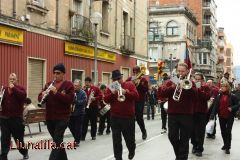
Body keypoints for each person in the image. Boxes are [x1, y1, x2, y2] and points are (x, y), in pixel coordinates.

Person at [157, 63, 196, 160]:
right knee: (172, 137)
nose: (181, 73)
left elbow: (196, 97)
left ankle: (181, 158)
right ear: (176, 71)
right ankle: (180, 156)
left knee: (184, 139)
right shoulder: (171, 81)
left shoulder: (190, 82)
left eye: (183, 71)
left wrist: (188, 87)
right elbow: (161, 93)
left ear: (187, 71)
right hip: (173, 114)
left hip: (186, 114)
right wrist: (173, 87)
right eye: (179, 71)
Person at [38, 63, 75, 160]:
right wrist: (43, 94)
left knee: (57, 141)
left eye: (58, 73)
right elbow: (39, 98)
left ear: (63, 74)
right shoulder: (48, 84)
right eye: (54, 73)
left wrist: (56, 93)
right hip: (50, 118)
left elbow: (70, 100)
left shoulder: (68, 85)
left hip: (62, 118)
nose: (55, 75)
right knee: (58, 141)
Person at [104, 69, 139, 160]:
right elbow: (106, 100)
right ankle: (118, 157)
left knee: (129, 139)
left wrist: (126, 92)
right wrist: (112, 94)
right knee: (116, 140)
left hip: (128, 117)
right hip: (115, 117)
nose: (117, 81)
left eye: (118, 78)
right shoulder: (111, 87)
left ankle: (132, 149)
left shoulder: (129, 84)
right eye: (115, 79)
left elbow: (136, 96)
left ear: (121, 77)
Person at [0, 73, 29, 160]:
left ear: (17, 80)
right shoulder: (4, 89)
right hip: (4, 118)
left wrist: (14, 88)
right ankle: (3, 156)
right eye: (10, 79)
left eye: (13, 79)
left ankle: (24, 152)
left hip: (16, 119)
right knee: (4, 138)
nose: (11, 80)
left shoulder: (21, 89)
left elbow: (23, 96)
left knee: (18, 139)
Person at [210, 82, 239, 154]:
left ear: (227, 87)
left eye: (224, 86)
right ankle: (225, 144)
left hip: (230, 116)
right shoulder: (219, 96)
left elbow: (238, 105)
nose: (222, 87)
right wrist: (212, 114)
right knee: (223, 131)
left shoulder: (233, 96)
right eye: (221, 86)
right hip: (221, 116)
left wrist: (232, 108)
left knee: (228, 131)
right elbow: (216, 106)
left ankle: (228, 147)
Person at [191, 72, 211, 157]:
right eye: (196, 79)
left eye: (199, 79)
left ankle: (200, 148)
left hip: (202, 112)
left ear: (202, 80)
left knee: (200, 131)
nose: (197, 81)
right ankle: (194, 145)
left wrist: (199, 90)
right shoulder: (191, 87)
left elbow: (207, 97)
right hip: (192, 111)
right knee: (192, 131)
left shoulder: (206, 87)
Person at [127, 66, 148, 140]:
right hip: (131, 100)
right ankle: (132, 135)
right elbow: (125, 85)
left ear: (139, 72)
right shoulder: (130, 78)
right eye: (134, 72)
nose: (135, 73)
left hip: (140, 100)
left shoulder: (143, 79)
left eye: (137, 72)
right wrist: (131, 82)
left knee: (139, 118)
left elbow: (146, 89)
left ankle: (144, 131)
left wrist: (139, 84)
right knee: (131, 118)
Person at [68, 79, 87, 147]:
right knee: (70, 126)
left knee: (78, 128)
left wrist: (76, 101)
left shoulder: (83, 93)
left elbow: (83, 102)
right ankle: (76, 137)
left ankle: (77, 141)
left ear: (80, 86)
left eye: (77, 86)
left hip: (79, 113)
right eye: (74, 85)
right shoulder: (72, 92)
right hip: (71, 113)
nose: (75, 87)